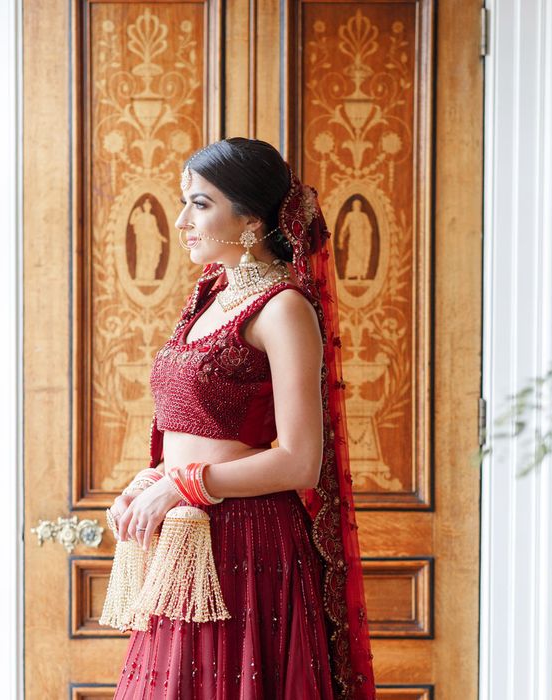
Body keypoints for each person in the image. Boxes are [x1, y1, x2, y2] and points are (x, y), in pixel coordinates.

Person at [105, 137, 375, 699]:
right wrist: (151, 481)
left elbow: (300, 462)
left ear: (251, 218)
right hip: (186, 537)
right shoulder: (210, 296)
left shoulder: (283, 308)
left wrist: (182, 485)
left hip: (247, 545)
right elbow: (193, 428)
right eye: (185, 202)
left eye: (200, 204)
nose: (180, 221)